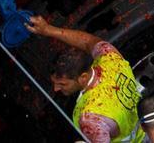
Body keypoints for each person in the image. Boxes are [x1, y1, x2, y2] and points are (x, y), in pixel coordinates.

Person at [26, 15, 143, 143]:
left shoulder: (90, 117)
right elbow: (87, 42)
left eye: (62, 84)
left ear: (83, 77)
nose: (56, 88)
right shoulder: (110, 58)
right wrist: (48, 30)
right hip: (147, 126)